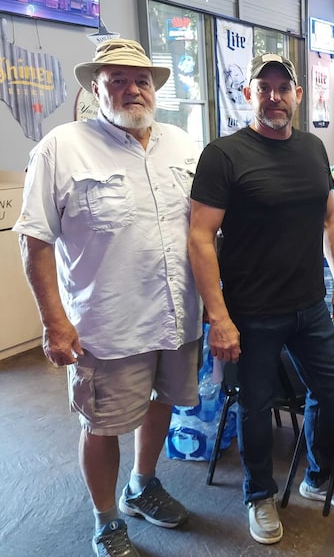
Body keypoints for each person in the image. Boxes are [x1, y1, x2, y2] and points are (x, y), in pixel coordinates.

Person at [14, 39, 204, 557]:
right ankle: (105, 520)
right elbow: (34, 239)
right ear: (95, 87)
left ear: (155, 88)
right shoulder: (62, 146)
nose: (131, 88)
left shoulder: (184, 146)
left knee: (164, 403)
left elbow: (207, 231)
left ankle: (143, 486)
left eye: (140, 79)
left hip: (178, 319)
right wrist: (54, 322)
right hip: (107, 324)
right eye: (116, 78)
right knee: (102, 425)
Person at [187, 53, 334, 546]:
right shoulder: (223, 156)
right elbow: (200, 238)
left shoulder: (312, 148)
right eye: (263, 87)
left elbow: (329, 217)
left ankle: (319, 476)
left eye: (283, 88)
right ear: (249, 94)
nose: (274, 96)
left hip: (310, 305)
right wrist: (218, 317)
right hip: (253, 312)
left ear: (298, 96)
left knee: (328, 394)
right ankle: (258, 495)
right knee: (256, 407)